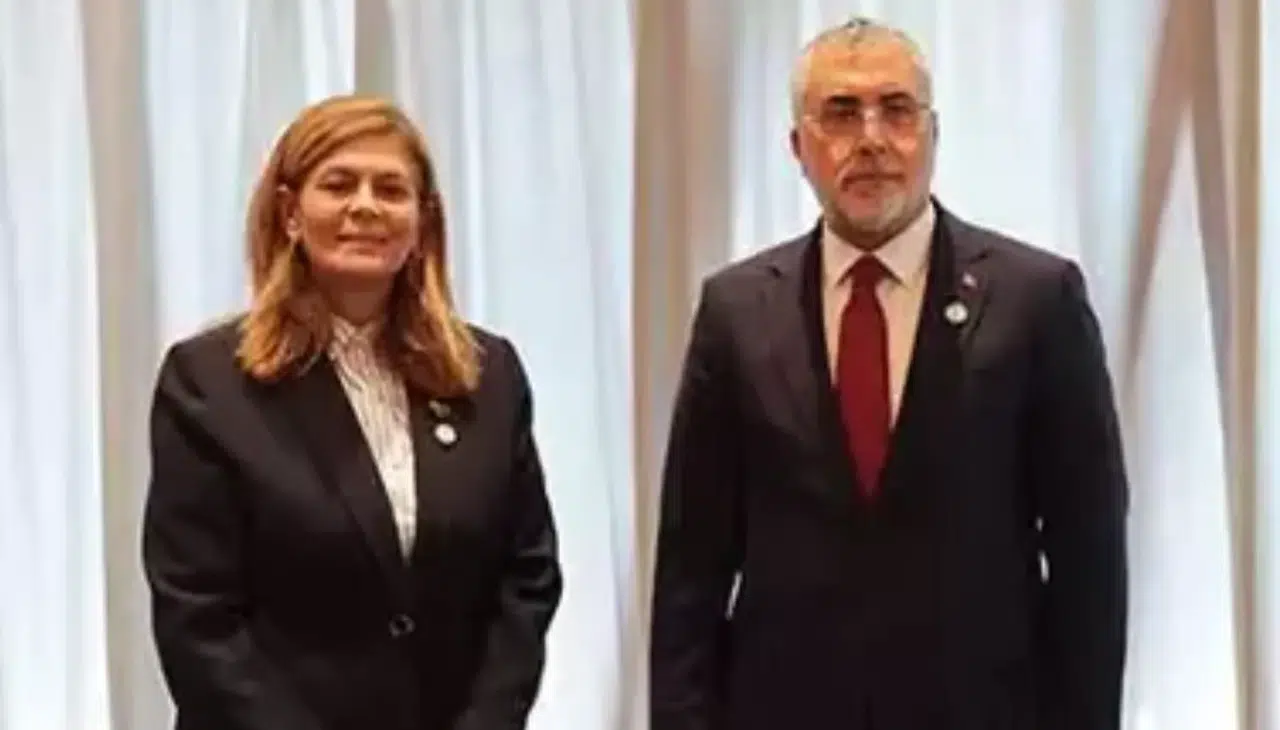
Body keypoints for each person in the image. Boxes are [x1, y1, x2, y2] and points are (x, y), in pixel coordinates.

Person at [649, 17, 1129, 730]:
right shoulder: (736, 312)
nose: (871, 138)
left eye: (897, 110)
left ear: (933, 135)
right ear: (798, 147)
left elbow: (1089, 556)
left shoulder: (1036, 300)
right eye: (841, 113)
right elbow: (692, 567)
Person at [142, 94, 562, 730]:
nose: (365, 206)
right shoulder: (208, 383)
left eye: (390, 189)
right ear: (290, 213)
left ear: (422, 221)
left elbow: (527, 577)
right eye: (339, 185)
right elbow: (197, 612)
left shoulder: (488, 375)